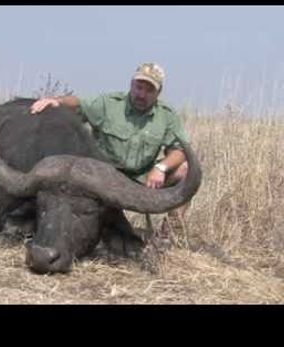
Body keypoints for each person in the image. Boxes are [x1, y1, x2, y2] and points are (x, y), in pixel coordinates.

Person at [30, 62, 190, 240]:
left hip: (142, 178)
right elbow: (79, 104)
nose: (141, 94)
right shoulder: (110, 104)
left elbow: (180, 150)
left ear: (158, 93)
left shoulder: (167, 116)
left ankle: (169, 236)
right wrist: (57, 101)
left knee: (184, 171)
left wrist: (161, 168)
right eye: (138, 87)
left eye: (149, 90)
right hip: (102, 177)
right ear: (131, 84)